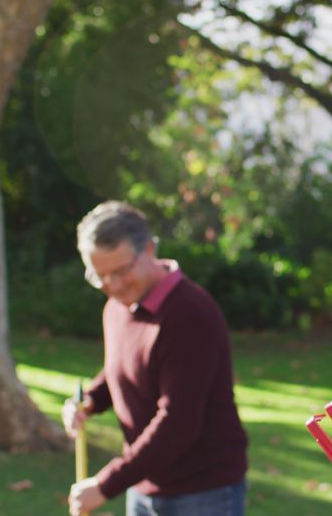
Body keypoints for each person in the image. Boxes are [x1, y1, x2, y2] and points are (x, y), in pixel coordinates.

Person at [63, 201, 248, 516]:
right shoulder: (119, 306)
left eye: (121, 271)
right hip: (145, 485)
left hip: (202, 491)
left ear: (149, 249)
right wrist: (90, 400)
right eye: (100, 276)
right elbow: (123, 366)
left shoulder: (189, 314)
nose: (113, 285)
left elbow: (177, 423)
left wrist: (105, 485)